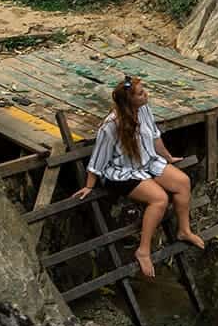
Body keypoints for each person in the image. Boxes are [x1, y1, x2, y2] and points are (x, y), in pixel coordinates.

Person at [73, 76, 204, 278]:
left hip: (147, 161)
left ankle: (184, 230)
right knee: (159, 199)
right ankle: (143, 250)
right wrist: (89, 185)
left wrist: (168, 157)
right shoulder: (110, 125)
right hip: (122, 171)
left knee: (182, 182)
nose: (146, 95)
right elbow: (98, 158)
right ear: (129, 100)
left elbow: (154, 136)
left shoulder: (143, 110)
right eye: (141, 93)